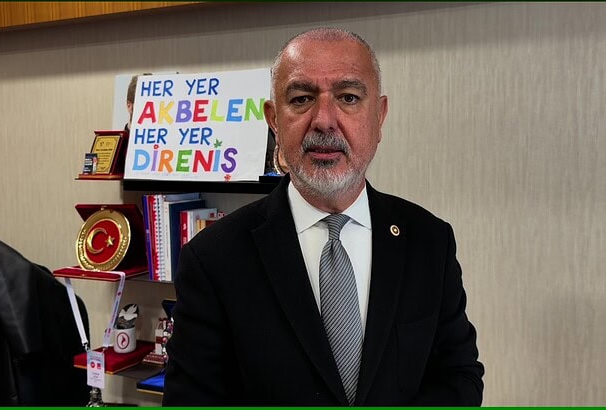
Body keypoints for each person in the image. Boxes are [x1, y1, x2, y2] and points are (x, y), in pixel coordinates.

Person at [163, 27, 484, 406]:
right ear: (274, 120)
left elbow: (459, 376)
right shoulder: (213, 259)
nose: (324, 120)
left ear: (379, 116)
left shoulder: (429, 241)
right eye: (301, 99)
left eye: (348, 97)